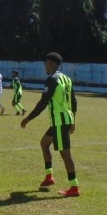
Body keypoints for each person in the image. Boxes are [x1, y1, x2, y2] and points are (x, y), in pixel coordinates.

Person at [20, 52, 80, 197]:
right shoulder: (67, 79)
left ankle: (74, 187)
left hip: (59, 122)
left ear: (51, 64)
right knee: (44, 143)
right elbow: (74, 102)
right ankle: (49, 177)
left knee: (65, 154)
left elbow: (43, 103)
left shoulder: (52, 80)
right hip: (62, 121)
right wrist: (72, 121)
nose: (45, 66)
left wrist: (28, 119)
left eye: (46, 63)